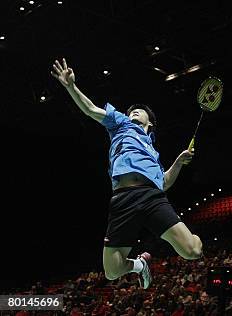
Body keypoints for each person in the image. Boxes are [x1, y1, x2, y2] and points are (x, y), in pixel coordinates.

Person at [51, 58, 203, 289]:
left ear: (150, 123)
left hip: (152, 197)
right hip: (123, 199)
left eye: (138, 111)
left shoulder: (153, 150)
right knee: (112, 271)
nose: (133, 112)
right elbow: (90, 109)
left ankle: (200, 241)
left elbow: (163, 183)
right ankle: (140, 265)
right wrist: (71, 86)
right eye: (131, 111)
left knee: (193, 251)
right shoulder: (121, 124)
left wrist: (179, 162)